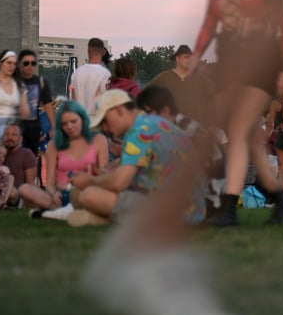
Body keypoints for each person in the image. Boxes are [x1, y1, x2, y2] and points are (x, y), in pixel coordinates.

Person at [187, 0, 283, 227]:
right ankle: (280, 199)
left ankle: (229, 208)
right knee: (248, 138)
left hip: (260, 59)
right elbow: (209, 22)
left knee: (237, 129)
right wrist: (196, 55)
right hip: (229, 61)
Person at [68, 90, 206, 228]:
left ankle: (101, 218)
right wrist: (104, 178)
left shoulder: (138, 130)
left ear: (119, 110)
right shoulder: (149, 123)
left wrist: (89, 180)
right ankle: (103, 217)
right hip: (191, 207)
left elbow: (119, 183)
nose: (104, 128)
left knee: (88, 195)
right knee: (81, 193)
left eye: (105, 120)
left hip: (178, 212)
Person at [19, 100, 108, 218]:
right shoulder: (54, 145)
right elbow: (49, 183)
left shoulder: (98, 140)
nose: (69, 127)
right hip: (62, 195)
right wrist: (54, 193)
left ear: (83, 119)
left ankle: (54, 212)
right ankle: (59, 210)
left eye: (73, 121)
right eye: (64, 124)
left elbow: (104, 175)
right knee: (24, 189)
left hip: (87, 192)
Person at [144, 45, 215, 127]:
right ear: (177, 58)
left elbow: (215, 96)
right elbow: (145, 97)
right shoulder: (164, 78)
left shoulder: (201, 79)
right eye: (186, 57)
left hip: (196, 131)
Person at [15, 49, 55, 155]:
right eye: (26, 63)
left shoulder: (41, 82)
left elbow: (48, 105)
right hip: (15, 128)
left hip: (34, 128)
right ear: (20, 64)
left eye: (33, 63)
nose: (30, 66)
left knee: (31, 159)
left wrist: (53, 127)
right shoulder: (13, 81)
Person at [71, 38, 112, 115]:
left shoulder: (77, 73)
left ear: (88, 51)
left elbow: (73, 100)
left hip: (80, 120)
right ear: (103, 52)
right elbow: (105, 100)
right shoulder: (105, 74)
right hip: (96, 120)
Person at [0, 123, 37, 208]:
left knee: (11, 191)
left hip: (15, 195)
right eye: (7, 134)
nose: (10, 138)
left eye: (14, 135)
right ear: (2, 137)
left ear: (20, 139)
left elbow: (30, 184)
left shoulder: (26, 154)